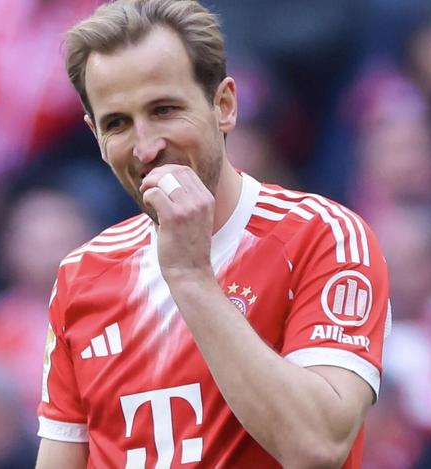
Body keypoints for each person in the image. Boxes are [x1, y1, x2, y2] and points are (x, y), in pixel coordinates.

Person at [36, 1, 391, 467]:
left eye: (164, 110)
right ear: (95, 136)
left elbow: (317, 446)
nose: (146, 147)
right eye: (117, 123)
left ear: (224, 106)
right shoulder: (82, 275)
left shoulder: (323, 237)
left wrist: (191, 277)